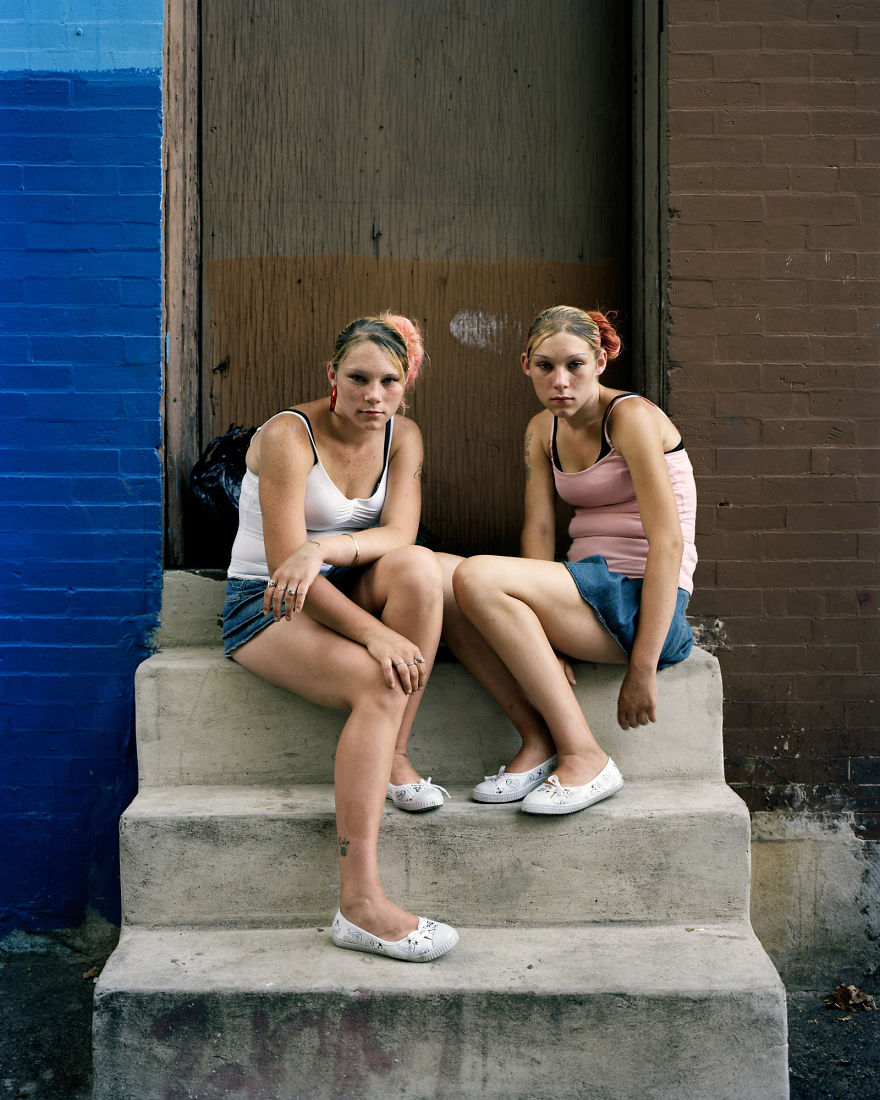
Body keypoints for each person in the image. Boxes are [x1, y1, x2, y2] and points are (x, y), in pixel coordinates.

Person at [221, 313, 458, 961]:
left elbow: (399, 536)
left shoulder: (402, 435)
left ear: (405, 384)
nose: (372, 395)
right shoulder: (286, 436)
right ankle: (359, 905)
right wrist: (373, 637)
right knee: (379, 683)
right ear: (332, 376)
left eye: (389, 380)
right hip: (269, 603)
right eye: (357, 378)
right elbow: (282, 566)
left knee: (417, 569)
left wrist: (327, 545)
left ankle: (396, 755)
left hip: (337, 580)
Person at [445, 305, 697, 815]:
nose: (560, 381)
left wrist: (643, 667)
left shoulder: (630, 417)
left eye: (575, 365)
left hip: (641, 601)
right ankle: (537, 743)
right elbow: (539, 528)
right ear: (525, 365)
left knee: (473, 574)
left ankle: (586, 757)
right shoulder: (542, 428)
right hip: (581, 590)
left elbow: (667, 542)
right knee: (445, 587)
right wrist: (540, 629)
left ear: (601, 361)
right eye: (545, 366)